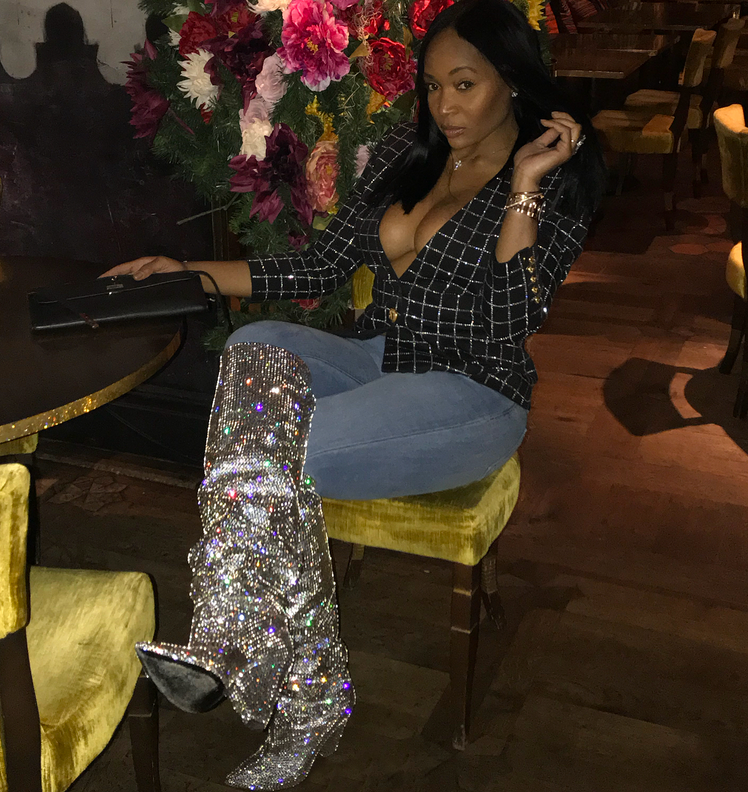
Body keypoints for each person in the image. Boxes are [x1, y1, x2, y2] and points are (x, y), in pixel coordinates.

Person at [106, 0, 608, 787]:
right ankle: (266, 663)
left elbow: (513, 320)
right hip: (380, 357)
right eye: (433, 87)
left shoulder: (559, 177)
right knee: (251, 351)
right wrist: (189, 273)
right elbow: (318, 266)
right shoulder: (412, 156)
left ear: (511, 81)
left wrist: (524, 187)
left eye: (465, 85)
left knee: (283, 452)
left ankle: (273, 675)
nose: (445, 106)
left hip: (473, 391)